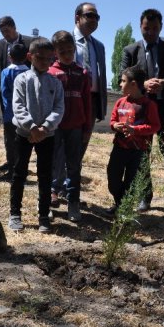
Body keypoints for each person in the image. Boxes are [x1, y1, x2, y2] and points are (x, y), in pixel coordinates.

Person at [120, 9, 164, 212]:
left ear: (161, 27)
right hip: (141, 111)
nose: (151, 33)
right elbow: (122, 78)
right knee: (142, 155)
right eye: (147, 29)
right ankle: (144, 197)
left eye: (155, 29)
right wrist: (142, 84)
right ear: (141, 26)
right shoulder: (130, 50)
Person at [8, 38, 64, 234]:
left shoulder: (55, 83)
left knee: (45, 175)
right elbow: (18, 106)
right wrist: (32, 127)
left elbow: (59, 108)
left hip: (47, 136)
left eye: (49, 59)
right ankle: (15, 213)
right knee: (19, 173)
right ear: (30, 57)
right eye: (40, 58)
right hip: (24, 134)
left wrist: (45, 128)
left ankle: (43, 215)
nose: (45, 62)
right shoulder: (21, 79)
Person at [48, 31, 92, 222]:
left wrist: (87, 128)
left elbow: (88, 103)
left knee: (74, 166)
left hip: (75, 127)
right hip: (54, 128)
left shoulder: (82, 73)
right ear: (55, 52)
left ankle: (73, 201)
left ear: (75, 49)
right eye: (62, 51)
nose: (67, 54)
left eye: (70, 50)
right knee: (52, 164)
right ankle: (50, 197)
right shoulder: (50, 73)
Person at [105, 66, 160, 216]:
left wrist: (135, 130)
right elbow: (112, 121)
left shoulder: (148, 105)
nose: (120, 84)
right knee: (113, 177)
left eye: (123, 81)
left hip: (137, 151)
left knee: (131, 182)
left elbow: (154, 126)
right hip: (119, 148)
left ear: (134, 84)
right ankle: (121, 202)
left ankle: (122, 208)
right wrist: (115, 126)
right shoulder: (120, 102)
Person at [0, 16, 33, 170]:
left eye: (6, 30)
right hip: (6, 96)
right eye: (2, 32)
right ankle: (10, 161)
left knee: (22, 130)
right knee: (8, 130)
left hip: (25, 97)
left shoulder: (28, 42)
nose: (4, 34)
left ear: (14, 27)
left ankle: (21, 163)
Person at [73, 2, 107, 162]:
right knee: (64, 140)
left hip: (91, 100)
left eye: (97, 17)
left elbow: (102, 75)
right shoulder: (65, 40)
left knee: (83, 140)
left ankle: (72, 178)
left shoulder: (99, 46)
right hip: (70, 98)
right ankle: (58, 178)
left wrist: (102, 105)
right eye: (89, 15)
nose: (94, 19)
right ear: (77, 18)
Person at [0, 44, 30, 180]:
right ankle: (22, 170)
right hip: (27, 115)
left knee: (10, 142)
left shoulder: (6, 72)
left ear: (10, 57)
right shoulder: (29, 72)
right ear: (26, 56)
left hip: (10, 115)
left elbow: (4, 94)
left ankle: (12, 170)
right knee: (24, 144)